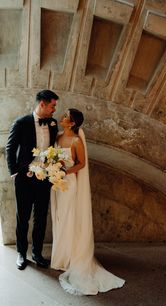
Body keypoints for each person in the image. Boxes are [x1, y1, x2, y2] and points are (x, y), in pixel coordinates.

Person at [51, 108, 125, 295]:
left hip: (69, 182)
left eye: (66, 116)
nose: (63, 116)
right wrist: (53, 169)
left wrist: (64, 172)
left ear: (73, 122)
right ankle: (62, 256)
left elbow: (81, 164)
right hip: (58, 183)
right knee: (60, 217)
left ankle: (71, 257)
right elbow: (54, 156)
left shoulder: (77, 141)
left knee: (69, 217)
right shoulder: (59, 137)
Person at [6, 89, 59, 270]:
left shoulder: (53, 123)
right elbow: (10, 148)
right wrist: (14, 172)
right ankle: (21, 253)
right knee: (23, 217)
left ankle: (37, 253)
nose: (54, 110)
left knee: (41, 218)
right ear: (42, 104)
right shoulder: (21, 123)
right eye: (52, 106)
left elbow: (53, 148)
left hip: (44, 177)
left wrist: (53, 171)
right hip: (25, 179)